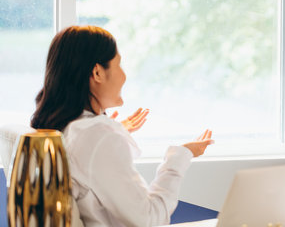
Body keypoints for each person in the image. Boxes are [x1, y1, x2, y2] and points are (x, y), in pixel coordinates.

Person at [31, 25, 214, 227]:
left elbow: (86, 157)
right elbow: (150, 218)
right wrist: (180, 156)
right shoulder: (97, 135)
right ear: (97, 72)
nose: (124, 75)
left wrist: (115, 131)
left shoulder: (63, 128)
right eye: (119, 65)